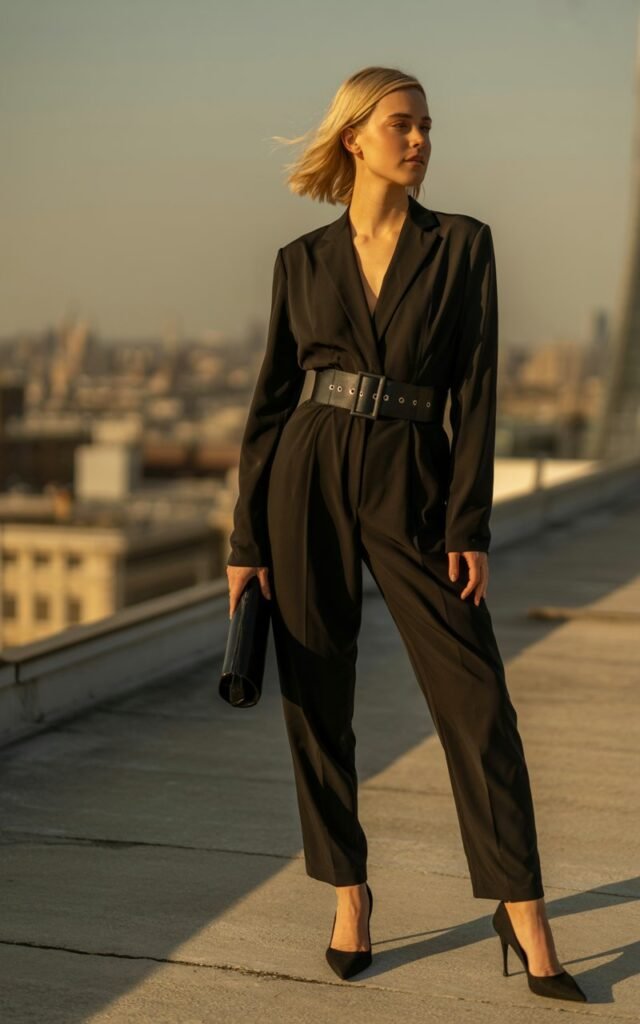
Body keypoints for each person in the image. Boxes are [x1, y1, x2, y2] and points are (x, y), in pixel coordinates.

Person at [226, 65, 587, 1002]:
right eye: (403, 124)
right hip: (306, 474)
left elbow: (477, 391)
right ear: (355, 138)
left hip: (414, 480)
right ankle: (348, 893)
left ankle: (523, 908)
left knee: (476, 701)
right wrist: (244, 541)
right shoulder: (300, 262)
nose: (421, 140)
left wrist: (470, 518)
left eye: (429, 126)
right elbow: (268, 406)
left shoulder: (463, 246)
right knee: (317, 696)